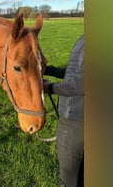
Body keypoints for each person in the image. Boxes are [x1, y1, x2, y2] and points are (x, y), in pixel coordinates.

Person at [43, 34, 84, 187]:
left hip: (76, 119)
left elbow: (80, 84)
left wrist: (50, 88)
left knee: (68, 173)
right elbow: (75, 72)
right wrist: (49, 70)